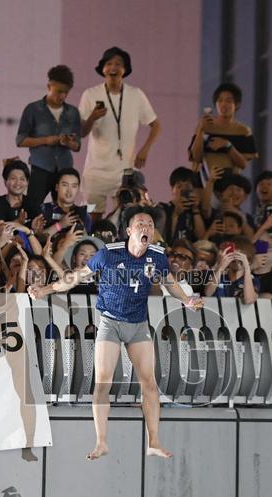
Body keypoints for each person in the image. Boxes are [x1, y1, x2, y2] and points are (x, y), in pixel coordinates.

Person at [29, 206, 202, 460]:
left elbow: (169, 283)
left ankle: (153, 441)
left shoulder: (157, 257)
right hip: (110, 322)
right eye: (141, 224)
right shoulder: (109, 254)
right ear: (129, 230)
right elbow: (77, 276)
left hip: (138, 324)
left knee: (150, 384)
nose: (146, 228)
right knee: (103, 382)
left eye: (150, 225)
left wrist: (187, 300)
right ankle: (101, 442)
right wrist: (45, 290)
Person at [79, 47, 160, 212]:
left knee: (125, 217)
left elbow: (156, 125)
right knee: (92, 219)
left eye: (118, 64)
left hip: (125, 171)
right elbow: (81, 132)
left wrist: (145, 150)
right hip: (96, 171)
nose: (113, 67)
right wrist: (93, 117)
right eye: (109, 63)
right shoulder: (90, 94)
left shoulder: (136, 94)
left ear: (125, 70)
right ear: (103, 69)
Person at [16, 65, 82, 214]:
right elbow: (20, 140)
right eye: (59, 91)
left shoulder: (72, 112)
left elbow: (77, 145)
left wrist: (68, 142)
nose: (62, 96)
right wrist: (46, 140)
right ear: (49, 86)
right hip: (41, 168)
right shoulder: (33, 109)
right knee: (32, 207)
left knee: (64, 209)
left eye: (66, 92)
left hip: (64, 168)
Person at [189, 82, 255, 175]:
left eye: (228, 101)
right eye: (219, 100)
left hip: (229, 184)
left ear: (237, 105)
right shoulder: (205, 125)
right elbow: (196, 157)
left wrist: (227, 146)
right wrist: (201, 130)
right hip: (204, 183)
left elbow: (243, 164)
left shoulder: (243, 131)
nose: (223, 104)